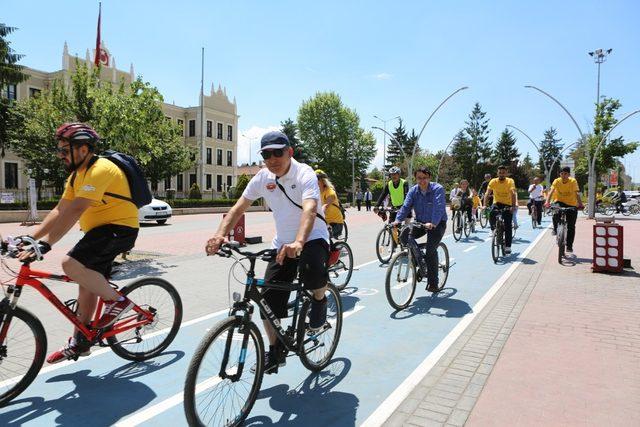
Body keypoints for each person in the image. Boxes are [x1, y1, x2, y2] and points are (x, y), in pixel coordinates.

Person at [205, 131, 329, 374]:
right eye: (266, 154)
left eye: (277, 152)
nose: (272, 158)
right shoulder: (262, 178)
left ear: (289, 152)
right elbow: (238, 208)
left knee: (314, 271)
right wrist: (220, 235)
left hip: (312, 237)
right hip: (281, 243)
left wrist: (299, 242)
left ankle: (320, 300)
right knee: (268, 301)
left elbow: (310, 209)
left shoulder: (304, 174)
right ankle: (275, 350)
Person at [17, 123, 139, 364]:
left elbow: (76, 210)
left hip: (119, 229)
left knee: (70, 264)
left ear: (83, 149)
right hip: (99, 232)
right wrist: (32, 237)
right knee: (86, 284)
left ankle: (119, 301)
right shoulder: (76, 177)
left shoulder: (101, 169)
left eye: (65, 150)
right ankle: (81, 343)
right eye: (60, 150)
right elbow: (60, 209)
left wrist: (47, 244)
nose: (61, 155)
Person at [393, 167, 447, 292]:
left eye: (424, 178)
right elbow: (406, 206)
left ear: (429, 178)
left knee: (430, 251)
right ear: (415, 178)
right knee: (404, 236)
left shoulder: (437, 189)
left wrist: (433, 223)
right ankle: (419, 260)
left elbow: (438, 208)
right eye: (419, 178)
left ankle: (433, 282)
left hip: (437, 223)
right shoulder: (413, 191)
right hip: (421, 222)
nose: (422, 181)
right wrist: (397, 220)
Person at [545, 166, 583, 253]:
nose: (563, 175)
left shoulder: (573, 181)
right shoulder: (557, 181)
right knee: (555, 212)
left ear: (569, 174)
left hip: (571, 204)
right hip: (559, 201)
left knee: (571, 226)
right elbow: (551, 191)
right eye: (562, 173)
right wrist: (547, 202)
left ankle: (569, 246)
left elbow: (576, 193)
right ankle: (555, 228)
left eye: (565, 174)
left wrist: (580, 204)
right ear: (560, 174)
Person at [484, 165, 517, 255]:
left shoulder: (510, 181)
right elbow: (487, 193)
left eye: (503, 172)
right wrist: (484, 205)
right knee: (491, 213)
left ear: (506, 173)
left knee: (508, 225)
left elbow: (513, 193)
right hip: (497, 203)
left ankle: (508, 246)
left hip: (508, 204)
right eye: (500, 172)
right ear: (497, 173)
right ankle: (493, 230)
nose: (501, 174)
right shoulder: (493, 181)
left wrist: (513, 206)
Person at [316, 169, 345, 239]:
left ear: (323, 181)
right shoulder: (317, 193)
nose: (315, 181)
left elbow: (325, 206)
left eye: (317, 179)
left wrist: (321, 211)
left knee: (324, 237)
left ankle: (333, 249)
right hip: (324, 222)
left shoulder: (330, 192)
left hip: (335, 223)